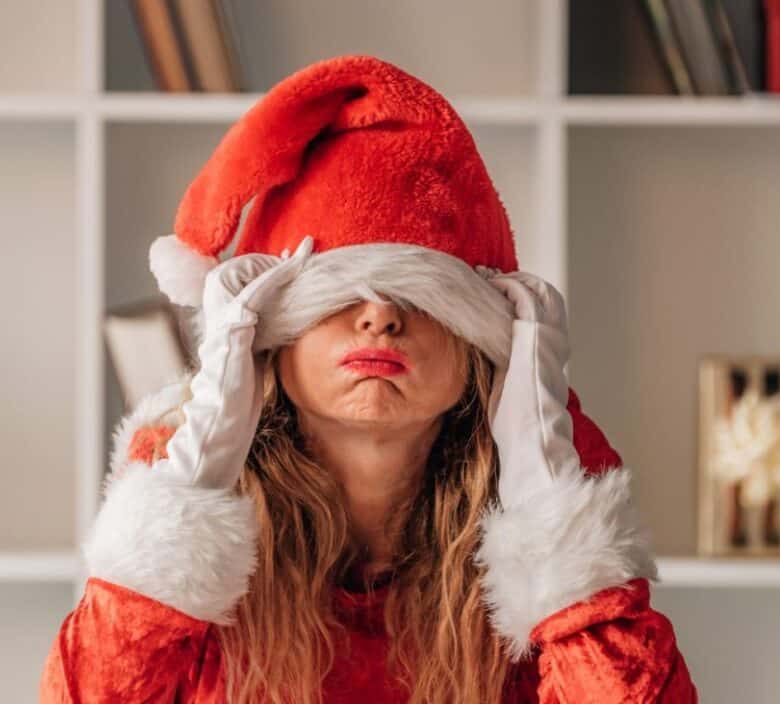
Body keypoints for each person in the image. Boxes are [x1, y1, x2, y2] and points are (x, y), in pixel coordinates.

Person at [39, 55, 697, 703]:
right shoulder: (203, 544)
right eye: (336, 293)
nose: (380, 316)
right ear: (267, 339)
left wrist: (550, 506)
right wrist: (193, 481)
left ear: (477, 345)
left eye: (424, 295)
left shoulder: (518, 557)